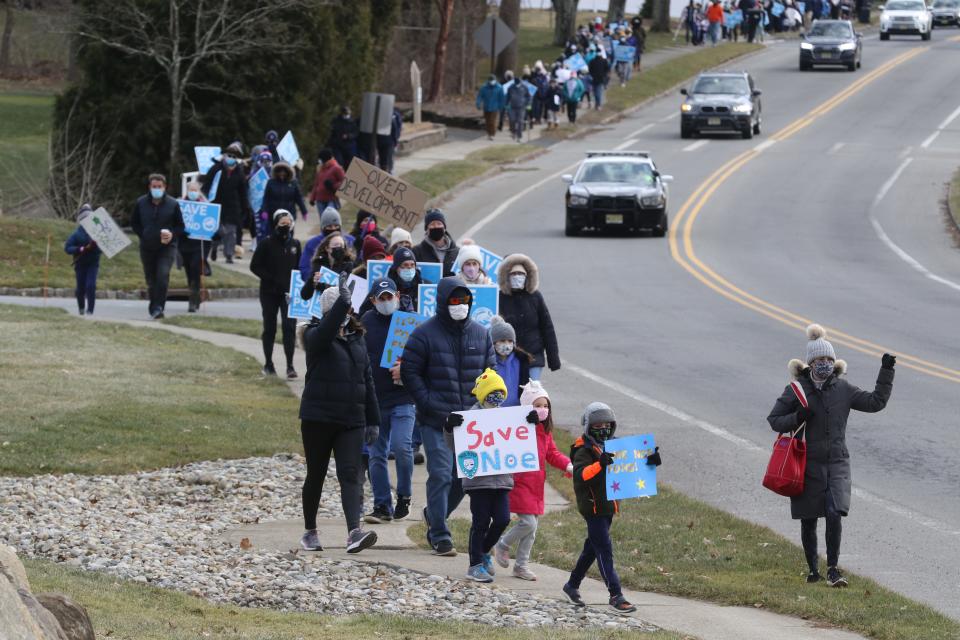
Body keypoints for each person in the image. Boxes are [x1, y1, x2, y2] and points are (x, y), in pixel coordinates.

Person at [767, 325, 895, 588]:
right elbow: (774, 420)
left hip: (837, 463)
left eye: (828, 359)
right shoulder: (796, 390)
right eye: (819, 360)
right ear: (810, 363)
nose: (824, 364)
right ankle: (813, 570)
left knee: (835, 512)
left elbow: (875, 403)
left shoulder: (843, 389)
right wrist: (796, 417)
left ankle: (833, 569)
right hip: (805, 464)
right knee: (809, 518)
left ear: (833, 361)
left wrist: (887, 371)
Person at [401, 277, 496, 556]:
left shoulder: (481, 333)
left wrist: (486, 406)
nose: (460, 306)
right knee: (441, 473)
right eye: (455, 301)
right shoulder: (424, 334)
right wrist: (429, 404)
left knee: (463, 479)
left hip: (471, 422)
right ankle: (440, 533)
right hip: (436, 420)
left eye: (465, 301)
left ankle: (434, 513)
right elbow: (409, 371)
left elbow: (491, 372)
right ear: (443, 302)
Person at [297, 277, 380, 554]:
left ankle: (354, 531)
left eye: (347, 308)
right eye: (341, 309)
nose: (346, 314)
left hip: (351, 419)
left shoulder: (358, 339)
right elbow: (326, 331)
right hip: (318, 417)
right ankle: (310, 530)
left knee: (351, 473)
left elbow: (367, 380)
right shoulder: (313, 334)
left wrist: (374, 419)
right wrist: (342, 301)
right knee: (316, 474)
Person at [563, 402, 660, 613]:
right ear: (589, 427)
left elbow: (631, 465)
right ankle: (616, 595)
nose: (603, 429)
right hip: (593, 508)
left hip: (609, 507)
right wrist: (600, 464)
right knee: (604, 551)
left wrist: (650, 462)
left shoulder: (615, 445)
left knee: (592, 548)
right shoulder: (583, 449)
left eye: (607, 425)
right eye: (598, 426)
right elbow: (580, 475)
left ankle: (572, 585)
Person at [444, 368, 536, 582]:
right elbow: (455, 447)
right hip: (478, 482)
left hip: (503, 480)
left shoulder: (506, 417)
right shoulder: (469, 418)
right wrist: (450, 428)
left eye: (500, 395)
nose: (496, 399)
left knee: (503, 519)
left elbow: (520, 441)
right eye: (492, 394)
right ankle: (474, 565)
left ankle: (484, 551)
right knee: (481, 522)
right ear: (482, 395)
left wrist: (531, 423)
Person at [494, 381, 572, 580]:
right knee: (528, 523)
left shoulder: (545, 431)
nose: (542, 410)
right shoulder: (519, 427)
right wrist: (524, 423)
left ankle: (521, 565)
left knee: (532, 529)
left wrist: (567, 464)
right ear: (527, 407)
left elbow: (552, 453)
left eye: (545, 406)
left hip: (536, 485)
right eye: (537, 405)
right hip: (520, 483)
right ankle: (502, 544)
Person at [361, 277, 416, 524]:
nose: (386, 302)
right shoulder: (366, 322)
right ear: (373, 301)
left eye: (389, 297)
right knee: (376, 453)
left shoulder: (409, 322)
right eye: (381, 298)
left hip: (403, 396)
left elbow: (423, 356)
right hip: (374, 398)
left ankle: (404, 495)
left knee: (404, 448)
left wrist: (406, 368)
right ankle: (382, 504)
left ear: (397, 295)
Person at [250, 210, 302, 379]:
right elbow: (254, 266)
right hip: (269, 292)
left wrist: (298, 286)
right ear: (275, 225)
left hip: (288, 294)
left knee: (289, 328)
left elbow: (299, 268)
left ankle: (290, 365)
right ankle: (268, 364)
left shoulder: (295, 244)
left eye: (288, 224)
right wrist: (270, 279)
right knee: (270, 328)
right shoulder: (266, 243)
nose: (285, 227)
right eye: (282, 224)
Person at [497, 254, 560, 380]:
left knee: (532, 393)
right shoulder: (499, 298)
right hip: (508, 356)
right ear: (506, 276)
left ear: (528, 276)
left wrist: (553, 359)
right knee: (513, 395)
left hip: (533, 356)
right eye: (513, 274)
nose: (517, 277)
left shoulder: (535, 297)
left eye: (520, 274)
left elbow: (547, 327)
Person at [131, 173, 184, 319]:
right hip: (147, 247)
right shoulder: (141, 203)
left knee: (162, 275)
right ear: (149, 187)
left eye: (159, 187)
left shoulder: (173, 204)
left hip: (167, 247)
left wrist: (172, 235)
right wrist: (144, 234)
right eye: (154, 187)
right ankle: (153, 306)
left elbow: (180, 226)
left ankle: (159, 307)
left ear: (164, 187)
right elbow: (134, 223)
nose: (156, 189)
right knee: (151, 279)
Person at [203, 143, 250, 264]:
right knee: (217, 229)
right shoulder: (216, 168)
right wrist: (203, 198)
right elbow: (207, 185)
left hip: (232, 206)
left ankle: (229, 254)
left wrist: (245, 208)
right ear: (224, 155)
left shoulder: (239, 173)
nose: (231, 158)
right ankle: (214, 246)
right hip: (216, 203)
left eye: (234, 156)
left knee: (230, 231)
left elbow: (243, 192)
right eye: (229, 155)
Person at [63, 203, 101, 316]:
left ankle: (90, 310)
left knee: (91, 286)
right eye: (84, 218)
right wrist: (81, 249)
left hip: (93, 263)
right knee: (80, 288)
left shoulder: (98, 231)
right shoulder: (76, 234)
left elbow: (102, 249)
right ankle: (81, 308)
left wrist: (96, 246)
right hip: (80, 264)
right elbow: (67, 248)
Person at [178, 181, 210, 313]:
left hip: (199, 245)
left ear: (198, 191)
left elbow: (212, 225)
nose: (192, 192)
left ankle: (192, 301)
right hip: (185, 245)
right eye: (190, 190)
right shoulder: (180, 205)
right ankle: (195, 297)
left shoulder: (206, 206)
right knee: (189, 274)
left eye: (195, 190)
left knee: (195, 271)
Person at [299, 208, 355, 280]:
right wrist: (313, 278)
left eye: (336, 226)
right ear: (323, 227)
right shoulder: (312, 243)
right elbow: (304, 267)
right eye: (329, 227)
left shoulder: (350, 240)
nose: (333, 229)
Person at [488, 316, 530, 407]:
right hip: (493, 411)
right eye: (502, 340)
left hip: (517, 410)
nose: (506, 344)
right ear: (493, 342)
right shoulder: (487, 362)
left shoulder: (522, 361)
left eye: (510, 341)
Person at [300, 231, 356, 299]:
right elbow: (304, 295)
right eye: (336, 245)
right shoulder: (318, 265)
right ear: (327, 248)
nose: (339, 247)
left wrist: (322, 286)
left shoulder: (348, 265)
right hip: (319, 308)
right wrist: (313, 282)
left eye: (341, 245)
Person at [412, 208, 460, 277]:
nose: (436, 226)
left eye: (439, 223)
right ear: (426, 229)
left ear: (444, 227)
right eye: (432, 224)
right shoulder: (416, 252)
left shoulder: (457, 252)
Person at [262, 160, 308, 225]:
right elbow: (266, 198)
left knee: (289, 234)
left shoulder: (293, 183)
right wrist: (264, 210)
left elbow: (299, 198)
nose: (282, 173)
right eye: (280, 171)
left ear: (288, 172)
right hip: (274, 214)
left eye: (284, 171)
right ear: (276, 171)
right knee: (275, 234)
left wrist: (304, 211)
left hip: (289, 214)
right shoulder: (271, 182)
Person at [308, 149, 345, 219]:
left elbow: (344, 182)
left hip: (331, 199)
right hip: (320, 200)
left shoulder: (336, 168)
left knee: (330, 218)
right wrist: (312, 198)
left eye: (320, 159)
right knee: (323, 220)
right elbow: (316, 184)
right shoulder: (320, 168)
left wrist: (333, 186)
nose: (319, 161)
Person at [476, 74, 507, 141]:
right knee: (487, 121)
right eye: (491, 80)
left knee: (492, 121)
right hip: (486, 107)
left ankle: (492, 134)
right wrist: (478, 103)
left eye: (493, 80)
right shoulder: (484, 88)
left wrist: (501, 106)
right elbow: (480, 96)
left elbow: (502, 98)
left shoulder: (499, 88)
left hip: (494, 107)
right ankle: (488, 133)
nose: (492, 82)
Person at [328, 106, 359, 170]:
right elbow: (333, 132)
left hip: (349, 146)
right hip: (338, 145)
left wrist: (348, 136)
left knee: (349, 163)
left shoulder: (352, 122)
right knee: (339, 162)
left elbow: (355, 133)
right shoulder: (337, 121)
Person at [377, 108, 403, 174]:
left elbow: (396, 129)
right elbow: (396, 130)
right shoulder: (391, 117)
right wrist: (395, 140)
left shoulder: (393, 116)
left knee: (386, 157)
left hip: (386, 141)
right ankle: (388, 170)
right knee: (387, 157)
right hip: (387, 141)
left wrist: (395, 140)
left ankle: (388, 170)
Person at [506, 78, 531, 143]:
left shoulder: (524, 87)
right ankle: (513, 132)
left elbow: (528, 96)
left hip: (521, 107)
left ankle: (519, 136)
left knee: (520, 121)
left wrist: (528, 104)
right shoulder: (511, 87)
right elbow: (508, 96)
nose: (517, 84)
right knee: (512, 120)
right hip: (512, 107)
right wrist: (506, 104)